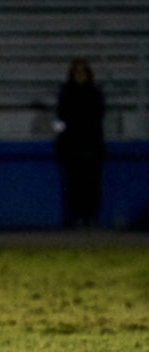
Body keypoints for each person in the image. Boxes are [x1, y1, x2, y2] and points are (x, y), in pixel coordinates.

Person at [54, 58, 106, 227]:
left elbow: (99, 117)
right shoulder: (66, 93)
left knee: (91, 184)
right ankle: (76, 217)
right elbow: (59, 119)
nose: (80, 75)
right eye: (77, 72)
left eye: (83, 72)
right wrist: (60, 139)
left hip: (91, 145)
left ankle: (90, 216)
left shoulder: (95, 93)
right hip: (71, 146)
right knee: (74, 184)